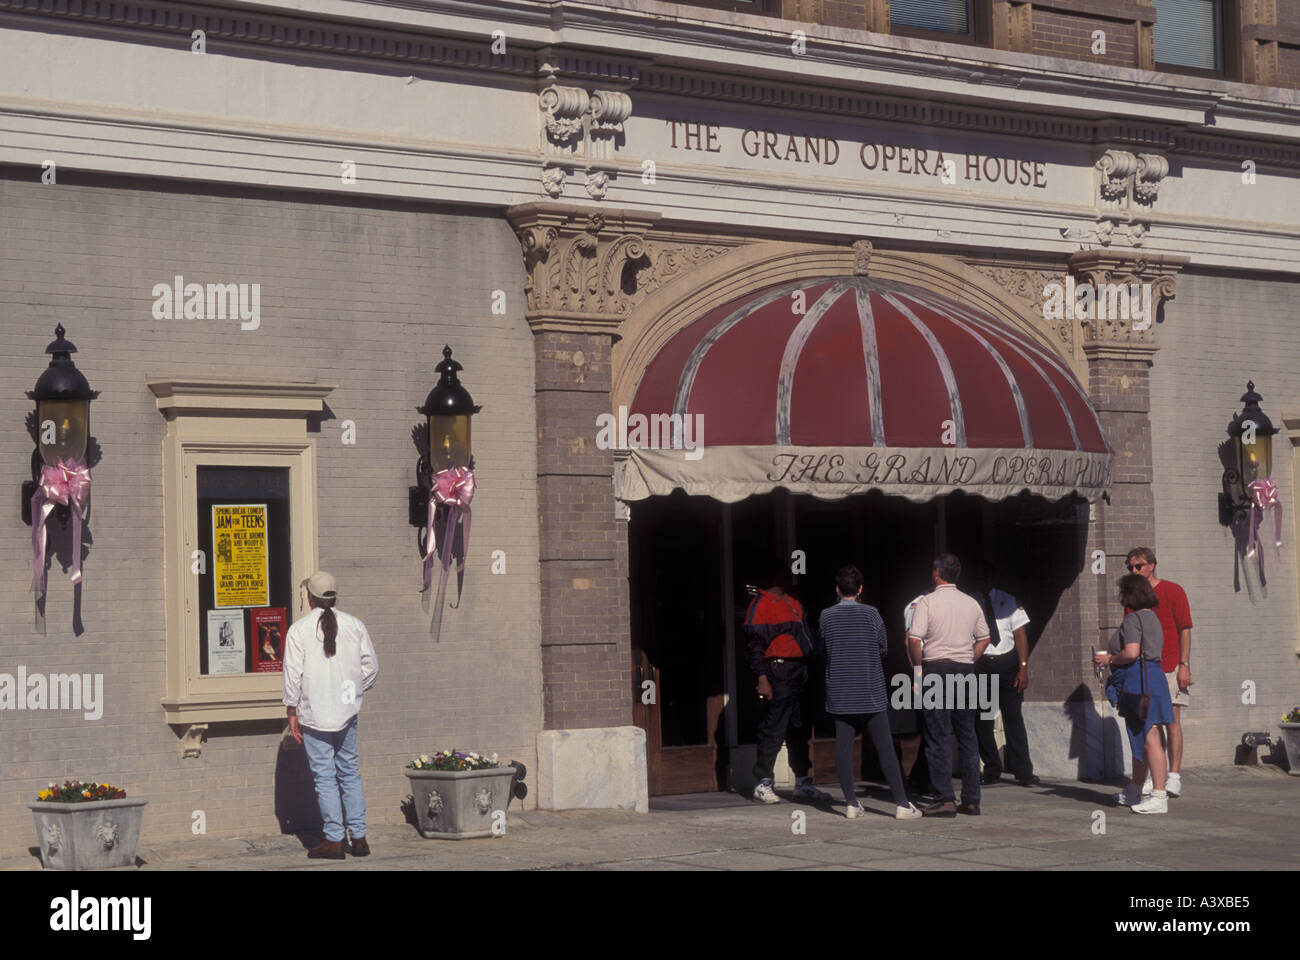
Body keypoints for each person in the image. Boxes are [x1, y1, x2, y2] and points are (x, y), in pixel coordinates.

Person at [283, 571, 380, 858]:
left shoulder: (299, 630)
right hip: (347, 713)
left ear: (310, 596)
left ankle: (335, 839)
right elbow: (371, 668)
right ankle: (359, 838)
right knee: (349, 772)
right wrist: (350, 692)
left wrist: (291, 709)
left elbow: (292, 674)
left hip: (315, 713)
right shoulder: (355, 625)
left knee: (325, 777)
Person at [820, 564, 921, 820]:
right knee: (885, 747)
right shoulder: (872, 614)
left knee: (843, 747)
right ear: (861, 589)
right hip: (869, 688)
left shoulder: (826, 616)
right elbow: (884, 647)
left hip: (840, 690)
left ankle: (851, 803)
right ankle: (901, 803)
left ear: (837, 589)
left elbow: (824, 649)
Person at [907, 554, 990, 817]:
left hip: (936, 668)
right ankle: (972, 799)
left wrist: (918, 672)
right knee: (967, 734)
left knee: (937, 735)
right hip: (965, 669)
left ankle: (944, 798)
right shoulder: (971, 603)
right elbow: (984, 638)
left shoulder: (927, 602)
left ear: (936, 574)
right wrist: (967, 658)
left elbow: (914, 639)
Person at [744, 564, 831, 804]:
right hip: (778, 670)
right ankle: (763, 782)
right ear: (776, 576)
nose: (790, 577)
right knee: (774, 727)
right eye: (785, 573)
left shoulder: (793, 602)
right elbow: (754, 648)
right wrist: (762, 680)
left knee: (800, 726)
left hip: (801, 669)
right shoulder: (760, 606)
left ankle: (802, 781)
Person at [1094, 573, 1174, 814]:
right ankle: (1135, 789)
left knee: (1149, 738)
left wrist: (1109, 658)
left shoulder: (1132, 620)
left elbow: (1130, 652)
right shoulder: (1152, 618)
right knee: (1143, 736)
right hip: (1153, 678)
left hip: (1139, 680)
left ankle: (1159, 795)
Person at [1126, 547, 1192, 799]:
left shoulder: (1173, 591)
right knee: (1150, 724)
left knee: (1172, 720)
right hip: (1145, 670)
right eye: (1130, 567)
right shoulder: (1134, 599)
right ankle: (1156, 778)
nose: (1134, 571)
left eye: (1138, 566)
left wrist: (1184, 664)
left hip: (1171, 665)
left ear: (1151, 565)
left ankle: (1174, 775)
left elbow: (1184, 628)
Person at [973, 563, 1039, 787]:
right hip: (982, 664)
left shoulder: (1008, 600)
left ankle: (1023, 771)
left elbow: (1020, 636)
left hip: (1008, 664)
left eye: (985, 578)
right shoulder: (970, 603)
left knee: (1013, 719)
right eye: (978, 579)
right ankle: (991, 769)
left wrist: (1023, 667)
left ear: (992, 580)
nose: (982, 583)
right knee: (983, 719)